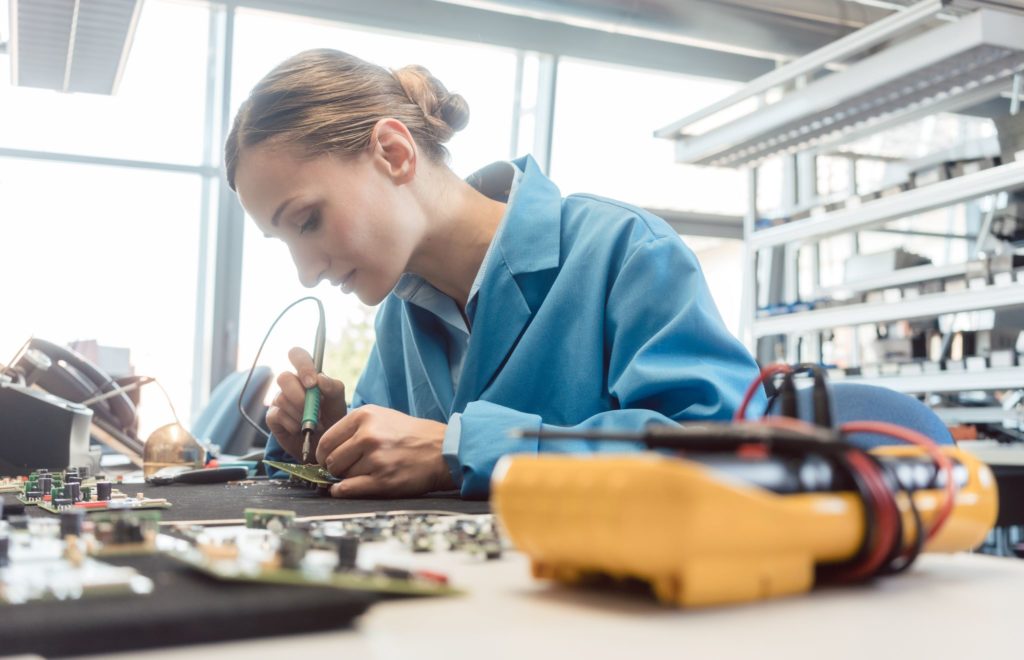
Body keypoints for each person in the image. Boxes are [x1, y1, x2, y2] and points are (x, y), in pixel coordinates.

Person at [226, 49, 763, 500]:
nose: (305, 272)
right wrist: (330, 438)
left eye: (308, 221)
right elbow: (395, 463)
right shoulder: (403, 316)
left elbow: (736, 457)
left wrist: (462, 449)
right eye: (286, 242)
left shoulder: (626, 251)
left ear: (393, 153)